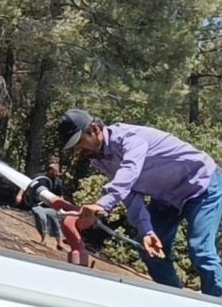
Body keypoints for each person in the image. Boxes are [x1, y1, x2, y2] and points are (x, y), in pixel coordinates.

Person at [58, 108, 222, 296]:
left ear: (94, 130)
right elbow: (130, 194)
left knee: (200, 250)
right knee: (149, 249)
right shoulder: (99, 160)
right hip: (166, 199)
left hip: (202, 187)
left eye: (79, 142)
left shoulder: (129, 138)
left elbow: (130, 170)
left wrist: (103, 204)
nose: (78, 150)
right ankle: (175, 300)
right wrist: (147, 231)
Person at [16, 163, 66, 250]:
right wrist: (19, 195)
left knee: (55, 222)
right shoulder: (38, 177)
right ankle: (43, 239)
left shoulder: (58, 182)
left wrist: (62, 206)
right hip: (37, 204)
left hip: (50, 206)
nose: (57, 173)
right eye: (55, 171)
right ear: (50, 170)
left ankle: (59, 243)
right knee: (41, 218)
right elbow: (26, 185)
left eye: (58, 171)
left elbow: (60, 196)